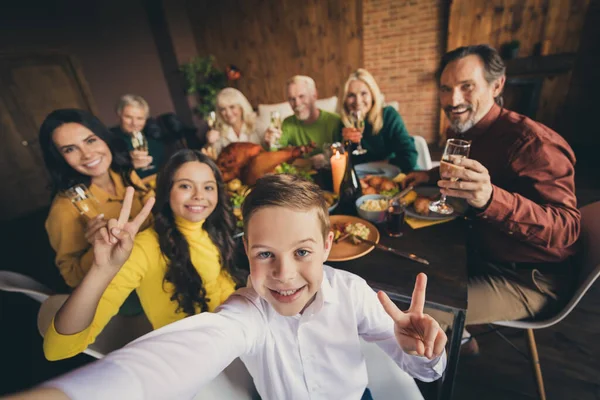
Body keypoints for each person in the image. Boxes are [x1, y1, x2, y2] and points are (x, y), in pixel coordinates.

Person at [15, 174, 447, 400]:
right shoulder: (244, 313)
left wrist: (427, 354)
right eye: (265, 254)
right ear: (247, 252)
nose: (284, 274)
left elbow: (423, 371)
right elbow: (164, 363)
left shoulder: (353, 292)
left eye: (302, 252)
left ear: (328, 245)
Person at [403, 44, 581, 354]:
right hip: (479, 252)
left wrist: (490, 199)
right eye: (446, 89)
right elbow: (456, 171)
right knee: (403, 273)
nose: (453, 100)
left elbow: (567, 229)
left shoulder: (532, 143)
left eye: (466, 87)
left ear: (497, 85)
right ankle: (460, 339)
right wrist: (429, 177)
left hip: (527, 278)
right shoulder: (464, 129)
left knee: (414, 317)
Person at [43, 150, 246, 361]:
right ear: (166, 191)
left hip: (232, 336)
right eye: (185, 185)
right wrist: (102, 269)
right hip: (196, 356)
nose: (199, 195)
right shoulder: (143, 248)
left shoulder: (212, 228)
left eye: (208, 187)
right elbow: (58, 349)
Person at [40, 109, 154, 289]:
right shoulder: (64, 209)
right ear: (60, 158)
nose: (87, 154)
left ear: (104, 138)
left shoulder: (122, 171)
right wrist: (99, 249)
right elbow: (71, 277)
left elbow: (144, 194)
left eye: (90, 140)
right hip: (124, 286)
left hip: (156, 260)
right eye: (70, 149)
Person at [341, 68, 418, 172]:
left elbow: (409, 158)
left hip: (394, 175)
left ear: (372, 95)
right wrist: (345, 144)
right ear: (344, 100)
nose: (358, 101)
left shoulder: (388, 116)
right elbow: (344, 166)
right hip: (363, 180)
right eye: (351, 95)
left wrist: (376, 165)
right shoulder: (343, 124)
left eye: (363, 93)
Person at [264, 75, 343, 168]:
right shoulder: (287, 123)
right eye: (291, 99)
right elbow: (277, 156)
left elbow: (345, 153)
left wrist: (329, 158)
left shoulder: (335, 121)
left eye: (301, 96)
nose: (297, 103)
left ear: (314, 95)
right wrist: (270, 143)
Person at [110, 94, 166, 179]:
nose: (134, 123)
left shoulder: (155, 142)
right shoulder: (109, 141)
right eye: (128, 117)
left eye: (139, 118)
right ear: (119, 115)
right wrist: (130, 166)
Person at [202, 88, 265, 158]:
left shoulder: (257, 123)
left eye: (232, 107)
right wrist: (210, 144)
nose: (228, 113)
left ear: (241, 107)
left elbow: (268, 148)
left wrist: (269, 141)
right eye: (223, 109)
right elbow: (213, 157)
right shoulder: (219, 131)